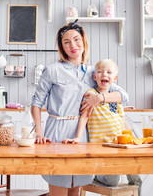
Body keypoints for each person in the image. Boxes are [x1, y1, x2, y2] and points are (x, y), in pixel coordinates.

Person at [31, 20, 128, 196]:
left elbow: (123, 96)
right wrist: (38, 133)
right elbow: (36, 103)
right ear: (62, 47)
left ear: (84, 42)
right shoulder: (52, 71)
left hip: (83, 136)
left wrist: (100, 98)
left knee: (77, 188)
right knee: (59, 186)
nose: (72, 45)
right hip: (57, 134)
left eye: (76, 39)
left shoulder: (95, 72)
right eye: (66, 42)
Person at [62, 59, 142, 194]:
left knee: (136, 177)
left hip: (118, 146)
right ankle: (94, 176)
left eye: (109, 72)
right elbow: (84, 116)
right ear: (95, 77)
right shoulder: (91, 95)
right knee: (112, 180)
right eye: (100, 72)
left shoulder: (116, 98)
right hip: (101, 148)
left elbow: (122, 120)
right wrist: (77, 136)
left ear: (115, 78)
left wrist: (133, 139)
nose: (104, 74)